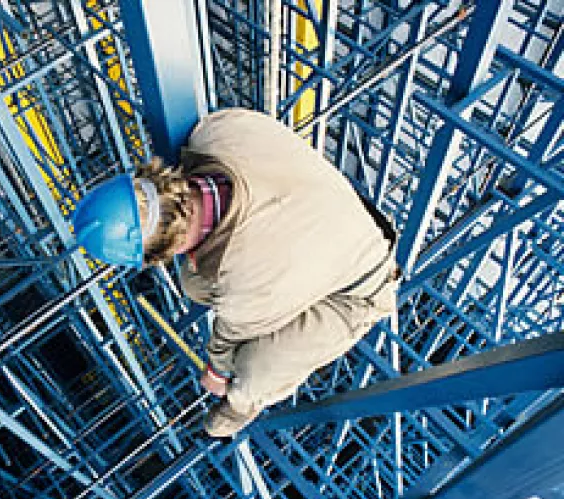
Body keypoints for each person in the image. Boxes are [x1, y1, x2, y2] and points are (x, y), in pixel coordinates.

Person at [72, 108, 400, 437]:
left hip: (359, 287)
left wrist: (217, 372)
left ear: (162, 251)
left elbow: (230, 337)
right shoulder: (216, 134)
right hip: (338, 214)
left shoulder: (249, 282)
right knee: (194, 283)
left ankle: (241, 409)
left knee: (254, 370)